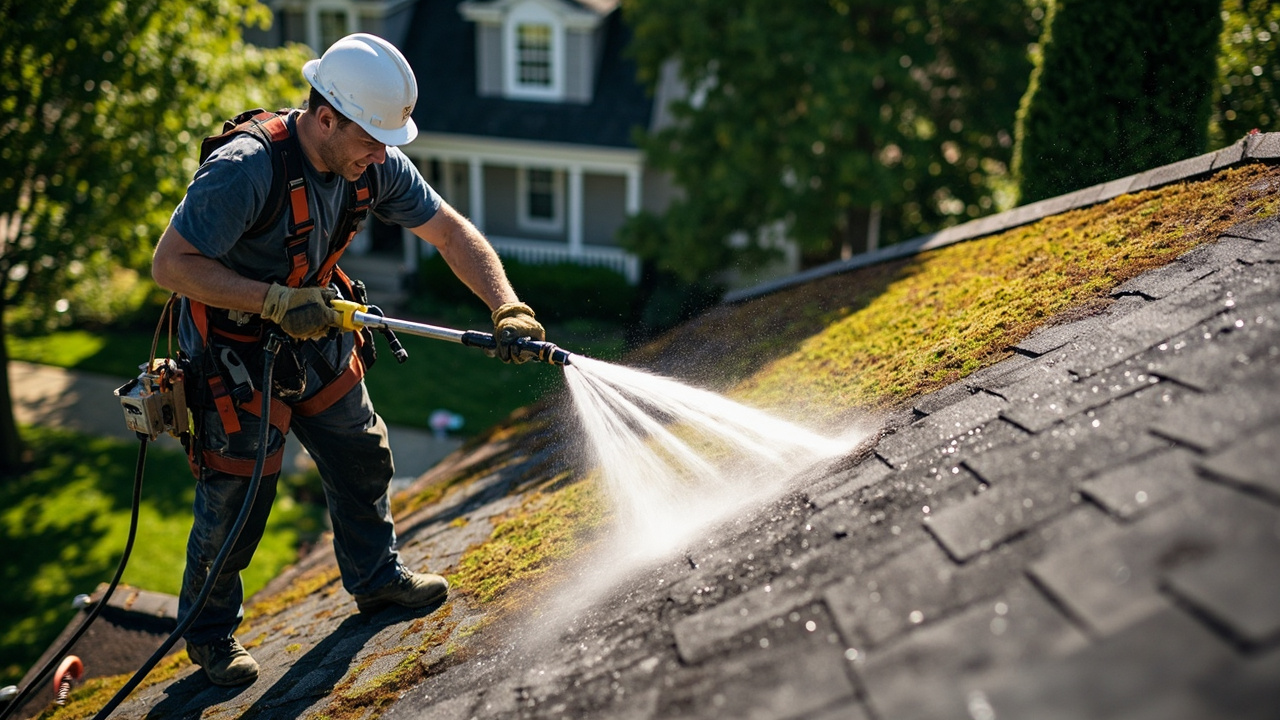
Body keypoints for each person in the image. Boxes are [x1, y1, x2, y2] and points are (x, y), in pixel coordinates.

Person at [151, 33, 545, 687]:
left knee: (363, 452)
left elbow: (448, 231)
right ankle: (212, 634)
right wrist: (273, 299)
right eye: (371, 138)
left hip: (316, 332)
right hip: (234, 351)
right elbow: (171, 265)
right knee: (238, 495)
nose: (382, 155)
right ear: (326, 117)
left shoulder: (373, 161)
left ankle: (376, 578)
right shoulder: (247, 168)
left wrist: (506, 305)